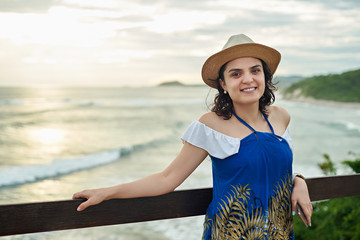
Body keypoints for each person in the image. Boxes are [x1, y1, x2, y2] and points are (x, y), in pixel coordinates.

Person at [73, 34, 312, 239]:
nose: (248, 79)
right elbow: (167, 178)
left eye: (255, 70)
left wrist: (298, 181)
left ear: (264, 76)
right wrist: (107, 192)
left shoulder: (281, 117)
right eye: (236, 74)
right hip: (229, 233)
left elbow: (271, 166)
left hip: (279, 232)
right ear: (223, 84)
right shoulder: (210, 125)